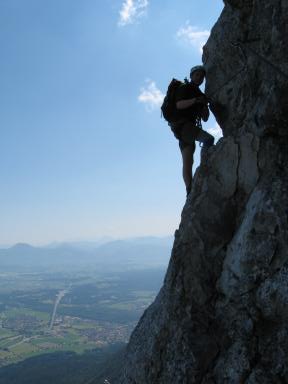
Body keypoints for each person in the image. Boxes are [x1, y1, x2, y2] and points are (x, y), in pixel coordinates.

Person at [169, 65, 214, 196]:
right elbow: (179, 105)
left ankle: (189, 190)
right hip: (183, 126)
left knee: (188, 161)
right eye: (197, 75)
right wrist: (196, 100)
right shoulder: (185, 88)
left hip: (183, 129)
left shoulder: (200, 94)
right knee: (208, 139)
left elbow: (205, 118)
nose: (200, 78)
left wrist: (205, 105)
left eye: (202, 76)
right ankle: (205, 167)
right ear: (192, 76)